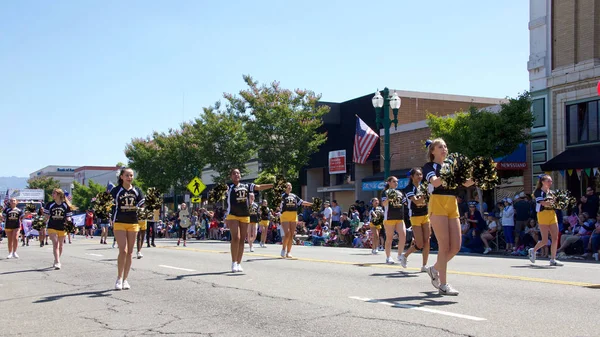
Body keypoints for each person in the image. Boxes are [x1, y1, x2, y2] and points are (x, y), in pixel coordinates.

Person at [423, 138, 474, 296]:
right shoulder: (429, 167)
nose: (444, 148)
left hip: (452, 203)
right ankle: (443, 285)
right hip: (438, 203)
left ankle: (434, 269)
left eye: (445, 146)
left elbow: (466, 183)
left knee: (456, 247)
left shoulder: (451, 166)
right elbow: (436, 183)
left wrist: (479, 175)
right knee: (444, 246)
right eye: (440, 146)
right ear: (433, 151)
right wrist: (449, 172)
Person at [226, 169, 273, 272]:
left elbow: (259, 187)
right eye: (234, 174)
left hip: (244, 215)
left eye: (238, 173)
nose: (236, 175)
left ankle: (239, 263)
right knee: (236, 238)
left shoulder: (247, 186)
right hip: (232, 215)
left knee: (242, 239)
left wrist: (273, 185)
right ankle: (233, 262)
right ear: (231, 176)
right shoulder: (228, 187)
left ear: (240, 176)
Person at [110, 167, 145, 290]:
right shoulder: (116, 191)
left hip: (133, 223)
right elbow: (109, 205)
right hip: (119, 222)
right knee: (123, 251)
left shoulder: (137, 191)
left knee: (130, 252)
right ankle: (119, 278)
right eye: (127, 175)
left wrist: (144, 209)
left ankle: (125, 279)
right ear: (121, 177)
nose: (129, 177)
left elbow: (142, 205)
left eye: (131, 175)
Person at [528, 175, 563, 267]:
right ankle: (533, 250)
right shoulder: (538, 192)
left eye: (551, 181)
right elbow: (543, 203)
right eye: (548, 181)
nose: (550, 183)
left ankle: (553, 259)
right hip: (542, 215)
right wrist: (552, 202)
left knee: (555, 238)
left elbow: (556, 204)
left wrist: (561, 202)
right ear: (543, 182)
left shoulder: (552, 192)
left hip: (552, 214)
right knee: (544, 240)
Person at [401, 168, 431, 271]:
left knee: (427, 241)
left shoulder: (424, 186)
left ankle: (424, 265)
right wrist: (426, 194)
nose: (419, 177)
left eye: (421, 174)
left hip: (425, 214)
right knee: (419, 243)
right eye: (417, 175)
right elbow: (417, 202)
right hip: (415, 216)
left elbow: (429, 201)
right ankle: (405, 255)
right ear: (412, 176)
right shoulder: (408, 188)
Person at [44, 189, 77, 269]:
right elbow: (47, 217)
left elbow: (68, 217)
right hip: (52, 226)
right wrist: (41, 224)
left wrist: (71, 226)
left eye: (54, 193)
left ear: (59, 194)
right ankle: (58, 262)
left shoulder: (65, 205)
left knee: (61, 246)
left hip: (62, 227)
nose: (52, 194)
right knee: (55, 244)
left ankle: (56, 259)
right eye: (52, 193)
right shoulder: (50, 204)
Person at [280, 182, 313, 258]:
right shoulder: (282, 196)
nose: (289, 187)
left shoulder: (294, 196)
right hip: (285, 216)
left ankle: (289, 252)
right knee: (287, 233)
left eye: (290, 185)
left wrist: (311, 204)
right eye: (288, 186)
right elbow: (279, 206)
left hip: (293, 215)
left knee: (291, 234)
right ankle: (283, 249)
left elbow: (302, 202)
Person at [381, 176, 407, 265]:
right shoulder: (385, 192)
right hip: (389, 218)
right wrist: (389, 198)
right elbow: (384, 204)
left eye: (397, 181)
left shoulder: (400, 192)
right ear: (389, 182)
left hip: (399, 217)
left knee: (403, 235)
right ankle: (388, 257)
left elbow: (405, 203)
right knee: (389, 238)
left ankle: (400, 255)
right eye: (394, 181)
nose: (396, 183)